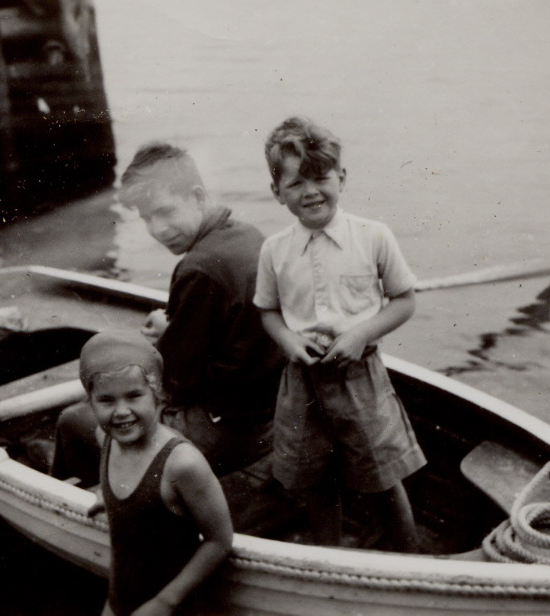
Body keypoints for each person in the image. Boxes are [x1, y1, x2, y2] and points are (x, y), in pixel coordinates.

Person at [52, 142, 283, 484]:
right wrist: (173, 328)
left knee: (73, 422)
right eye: (147, 218)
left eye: (165, 212)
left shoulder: (198, 268)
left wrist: (163, 338)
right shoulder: (249, 235)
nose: (158, 229)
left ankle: (103, 492)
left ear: (198, 196)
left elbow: (173, 381)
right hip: (271, 415)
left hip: (229, 432)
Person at [252, 116, 426, 551]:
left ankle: (409, 555)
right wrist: (290, 342)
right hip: (302, 382)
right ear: (278, 193)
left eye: (320, 177)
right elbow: (268, 312)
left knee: (383, 476)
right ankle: (328, 556)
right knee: (314, 480)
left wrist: (361, 334)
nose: (310, 191)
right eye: (295, 184)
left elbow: (405, 300)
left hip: (360, 378)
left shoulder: (373, 237)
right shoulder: (274, 251)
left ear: (341, 177)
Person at [79, 330, 233, 616]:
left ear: (158, 395)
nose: (121, 411)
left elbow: (219, 541)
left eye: (134, 396)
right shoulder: (107, 439)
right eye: (106, 400)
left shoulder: (182, 463)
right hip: (119, 602)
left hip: (173, 608)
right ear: (90, 401)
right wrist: (112, 501)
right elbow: (133, 497)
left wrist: (164, 603)